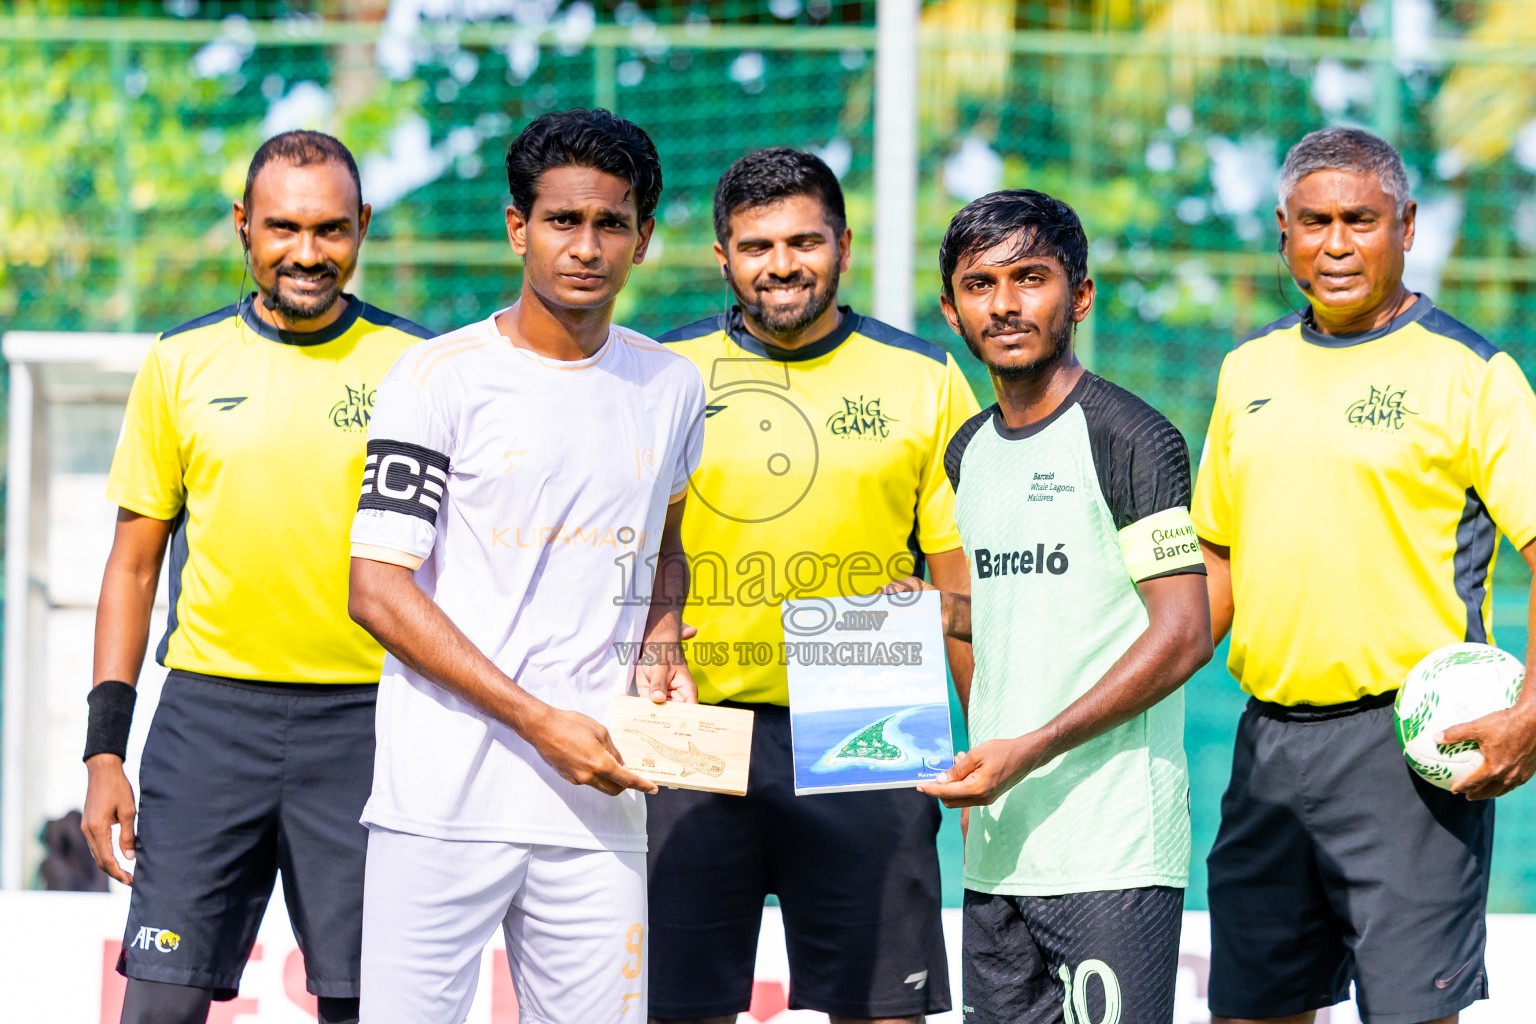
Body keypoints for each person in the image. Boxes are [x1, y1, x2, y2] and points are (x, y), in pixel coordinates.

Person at [346, 108, 704, 1024]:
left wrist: (663, 640)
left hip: (599, 806)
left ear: (644, 237)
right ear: (518, 228)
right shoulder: (436, 378)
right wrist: (541, 721)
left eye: (610, 223)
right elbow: (376, 590)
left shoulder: (671, 387)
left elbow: (666, 545)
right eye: (561, 221)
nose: (585, 247)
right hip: (441, 800)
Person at [80, 131, 433, 1024]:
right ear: (244, 225)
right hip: (208, 724)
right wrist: (104, 751)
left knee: (368, 1009)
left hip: (371, 724)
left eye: (330, 230)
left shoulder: (425, 367)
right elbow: (130, 565)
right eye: (282, 227)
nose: (306, 253)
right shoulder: (180, 361)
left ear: (362, 228)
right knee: (156, 1008)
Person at [1194, 126, 1536, 1024]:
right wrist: (1114, 682)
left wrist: (1532, 711)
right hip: (1265, 748)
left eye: (1360, 220)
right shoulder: (1247, 371)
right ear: (1282, 231)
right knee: (1250, 1011)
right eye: (1314, 222)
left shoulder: (1474, 374)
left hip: (1411, 753)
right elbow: (1216, 563)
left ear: (1407, 225)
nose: (1336, 244)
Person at [646, 147, 979, 1024]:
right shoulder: (660, 372)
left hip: (868, 716)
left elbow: (959, 587)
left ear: (844, 244)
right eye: (757, 247)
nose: (782, 265)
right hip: (696, 723)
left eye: (804, 242)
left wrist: (987, 749)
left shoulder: (924, 376)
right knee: (678, 1006)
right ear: (723, 257)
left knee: (881, 1008)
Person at [925, 189, 1213, 1024]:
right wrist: (935, 615)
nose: (1005, 304)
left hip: (1111, 852)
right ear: (951, 310)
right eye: (980, 285)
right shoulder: (968, 452)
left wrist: (1032, 747)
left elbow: (1184, 632)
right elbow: (1017, 617)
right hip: (999, 850)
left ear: (1079, 296)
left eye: (1030, 278)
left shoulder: (1135, 437)